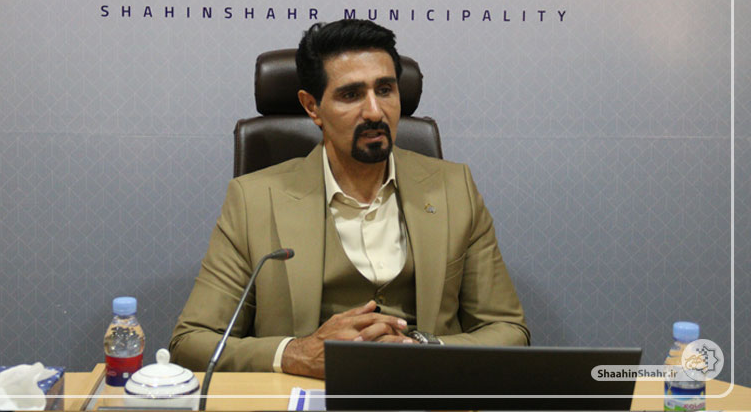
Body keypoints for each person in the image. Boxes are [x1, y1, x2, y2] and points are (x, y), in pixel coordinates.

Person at [170, 19, 529, 378]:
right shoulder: (254, 200)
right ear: (312, 107)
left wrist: (423, 349)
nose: (374, 111)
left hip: (425, 389)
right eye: (351, 95)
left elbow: (509, 331)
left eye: (385, 90)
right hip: (309, 390)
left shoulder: (454, 189)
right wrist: (297, 353)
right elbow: (191, 342)